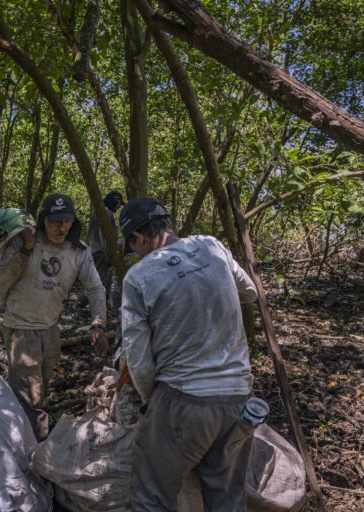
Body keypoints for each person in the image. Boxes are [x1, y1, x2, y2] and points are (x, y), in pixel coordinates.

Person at [119, 197, 259, 511]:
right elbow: (249, 292)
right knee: (227, 500)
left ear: (140, 238)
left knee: (150, 498)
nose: (135, 256)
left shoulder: (139, 278)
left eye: (134, 248)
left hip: (183, 399)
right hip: (238, 396)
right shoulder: (212, 246)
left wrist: (153, 406)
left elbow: (140, 364)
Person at [0, 193, 108, 441]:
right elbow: (0, 282)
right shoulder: (25, 242)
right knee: (31, 399)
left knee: (39, 391)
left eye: (67, 221)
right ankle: (37, 450)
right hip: (21, 329)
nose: (61, 227)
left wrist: (98, 321)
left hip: (51, 328)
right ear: (44, 219)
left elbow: (96, 288)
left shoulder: (78, 250)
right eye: (56, 221)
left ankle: (22, 434)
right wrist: (26, 250)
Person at [86, 190, 125, 300]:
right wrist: (108, 255)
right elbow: (103, 235)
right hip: (100, 252)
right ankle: (81, 303)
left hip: (93, 250)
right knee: (100, 281)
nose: (119, 207)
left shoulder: (99, 211)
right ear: (115, 202)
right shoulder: (106, 213)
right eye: (119, 204)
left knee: (101, 280)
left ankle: (102, 304)